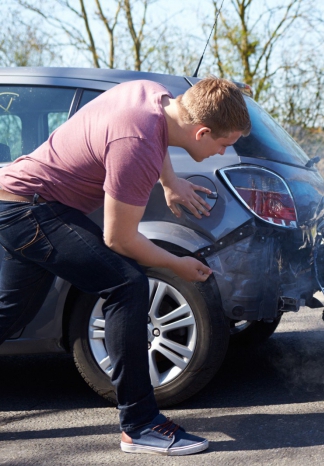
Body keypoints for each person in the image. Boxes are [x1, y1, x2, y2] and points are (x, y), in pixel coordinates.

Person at [0, 76, 251, 455]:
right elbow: (119, 239)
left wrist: (169, 181)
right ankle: (140, 423)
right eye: (223, 143)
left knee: (10, 314)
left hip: (18, 200)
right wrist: (176, 265)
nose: (221, 152)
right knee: (126, 284)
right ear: (201, 131)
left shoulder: (153, 96)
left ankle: (140, 422)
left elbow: (157, 134)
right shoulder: (136, 143)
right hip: (30, 210)